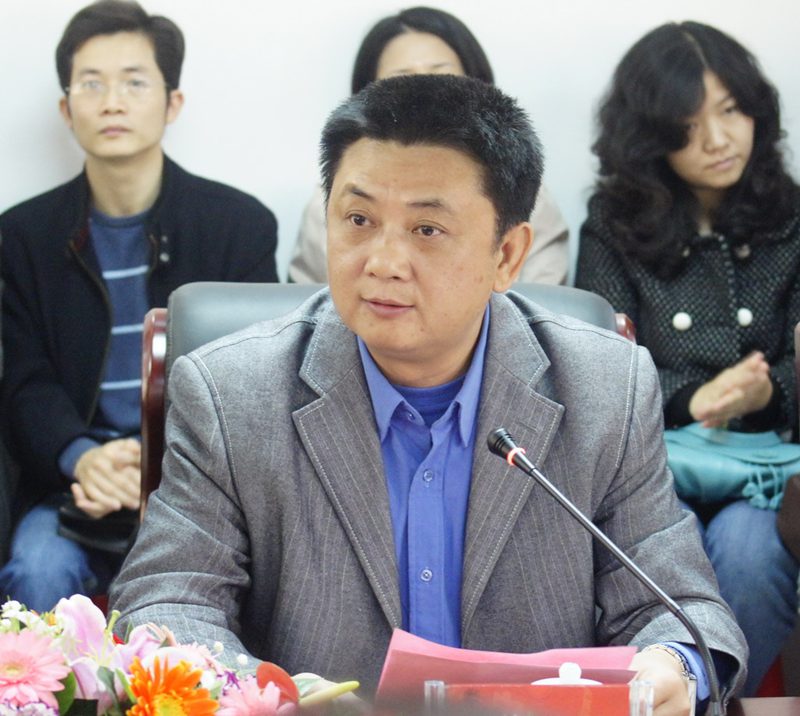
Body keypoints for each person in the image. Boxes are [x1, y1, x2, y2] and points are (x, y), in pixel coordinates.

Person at [112, 74, 747, 714]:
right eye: (358, 219)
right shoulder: (231, 394)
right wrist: (270, 704)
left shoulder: (605, 388)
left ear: (507, 255)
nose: (383, 262)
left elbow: (682, 609)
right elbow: (167, 603)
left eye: (427, 229)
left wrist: (674, 665)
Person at [0, 0, 279, 612]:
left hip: (199, 482)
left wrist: (163, 467)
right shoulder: (21, 237)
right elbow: (23, 378)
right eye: (91, 84)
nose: (112, 102)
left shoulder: (238, 226)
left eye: (133, 82)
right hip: (77, 480)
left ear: (172, 103)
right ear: (66, 109)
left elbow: (258, 378)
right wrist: (83, 458)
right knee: (37, 571)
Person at [574, 21, 800, 696]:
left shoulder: (791, 214)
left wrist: (769, 390)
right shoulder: (612, 222)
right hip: (655, 465)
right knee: (659, 557)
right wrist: (686, 399)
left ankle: (711, 700)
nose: (719, 139)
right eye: (689, 125)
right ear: (649, 136)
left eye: (731, 111)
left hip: (764, 470)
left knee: (751, 554)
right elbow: (597, 358)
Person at [287, 6, 568, 285]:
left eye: (443, 79)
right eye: (402, 82)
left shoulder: (523, 195)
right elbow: (307, 302)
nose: (425, 99)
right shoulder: (336, 197)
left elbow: (543, 302)